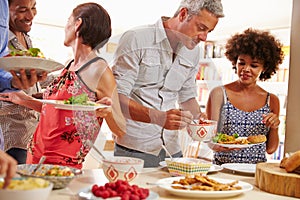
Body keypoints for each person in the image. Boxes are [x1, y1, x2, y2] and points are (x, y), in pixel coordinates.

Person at [0, 2, 126, 169]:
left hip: (63, 165)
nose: (65, 27)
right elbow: (58, 110)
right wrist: (24, 100)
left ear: (77, 24)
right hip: (36, 156)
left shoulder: (99, 69)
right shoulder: (70, 65)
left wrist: (108, 112)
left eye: (68, 21)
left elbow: (120, 129)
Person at [112, 0, 224, 167]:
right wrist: (159, 117)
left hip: (173, 150)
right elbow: (116, 98)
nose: (204, 37)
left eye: (209, 31)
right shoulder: (136, 38)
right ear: (183, 14)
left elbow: (187, 97)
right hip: (135, 148)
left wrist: (200, 122)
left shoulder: (194, 53)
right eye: (201, 28)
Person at [206, 28, 284, 165]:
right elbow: (210, 140)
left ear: (264, 68)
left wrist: (275, 126)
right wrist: (215, 144)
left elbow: (271, 149)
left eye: (254, 65)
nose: (246, 69)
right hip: (223, 169)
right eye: (241, 63)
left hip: (255, 172)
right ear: (235, 62)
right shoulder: (219, 94)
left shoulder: (272, 100)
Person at [0, 0, 44, 189]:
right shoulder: (8, 38)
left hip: (28, 133)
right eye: (22, 10)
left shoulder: (25, 38)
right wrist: (27, 100)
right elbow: (7, 99)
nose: (31, 15)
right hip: (13, 133)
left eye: (33, 7)